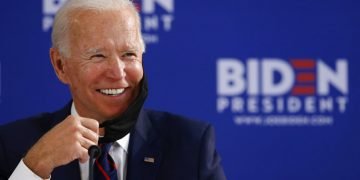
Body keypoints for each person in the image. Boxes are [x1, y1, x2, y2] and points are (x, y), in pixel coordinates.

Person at [0, 0, 226, 179]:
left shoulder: (191, 145)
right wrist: (34, 169)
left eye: (129, 54)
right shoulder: (13, 145)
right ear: (60, 65)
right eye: (98, 56)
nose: (118, 73)